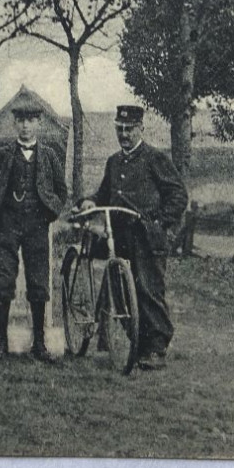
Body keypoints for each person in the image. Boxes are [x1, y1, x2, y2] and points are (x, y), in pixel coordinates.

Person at [87, 104, 188, 370]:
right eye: (119, 129)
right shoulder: (114, 162)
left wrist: (159, 223)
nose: (124, 134)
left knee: (148, 289)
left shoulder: (155, 158)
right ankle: (138, 343)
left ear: (141, 128)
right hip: (119, 236)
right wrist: (89, 201)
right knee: (120, 290)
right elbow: (104, 194)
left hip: (146, 237)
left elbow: (178, 195)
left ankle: (156, 349)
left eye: (129, 129)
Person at [0, 95, 67, 362]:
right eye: (21, 121)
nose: (26, 126)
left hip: (36, 227)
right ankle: (1, 341)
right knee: (4, 280)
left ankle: (39, 343)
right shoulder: (3, 155)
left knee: (38, 281)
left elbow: (61, 192)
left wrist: (49, 213)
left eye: (31, 120)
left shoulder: (50, 156)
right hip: (7, 225)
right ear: (15, 124)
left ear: (39, 123)